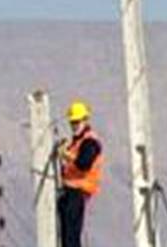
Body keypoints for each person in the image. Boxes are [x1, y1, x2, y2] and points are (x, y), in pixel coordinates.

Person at [58, 99, 104, 247]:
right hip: (69, 191)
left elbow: (84, 164)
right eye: (72, 122)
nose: (74, 125)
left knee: (71, 237)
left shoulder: (90, 142)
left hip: (78, 192)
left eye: (77, 122)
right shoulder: (76, 142)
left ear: (85, 120)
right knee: (66, 237)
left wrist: (66, 155)